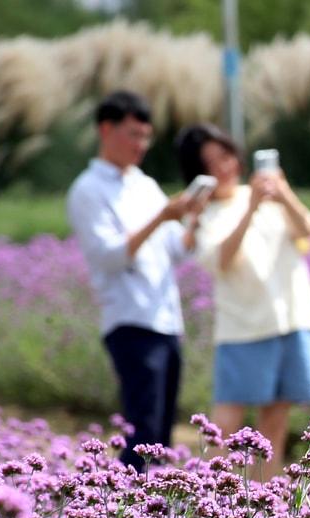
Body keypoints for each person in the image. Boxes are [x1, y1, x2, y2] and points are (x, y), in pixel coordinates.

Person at [174, 123, 310, 480]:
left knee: (275, 420)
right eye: (210, 163)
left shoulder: (263, 192)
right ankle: (213, 498)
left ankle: (264, 500)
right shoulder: (200, 213)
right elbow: (221, 259)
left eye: (225, 156)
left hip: (290, 316)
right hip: (243, 326)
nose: (223, 168)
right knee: (224, 427)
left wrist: (283, 192)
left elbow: (306, 229)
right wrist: (251, 208)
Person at [67, 90, 205, 471]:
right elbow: (108, 256)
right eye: (133, 135)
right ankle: (124, 511)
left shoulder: (144, 184)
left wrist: (193, 216)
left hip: (165, 318)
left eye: (146, 137)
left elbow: (177, 250)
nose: (140, 145)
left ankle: (150, 516)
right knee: (142, 430)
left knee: (161, 433)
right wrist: (162, 216)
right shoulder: (87, 190)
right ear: (105, 130)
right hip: (129, 319)